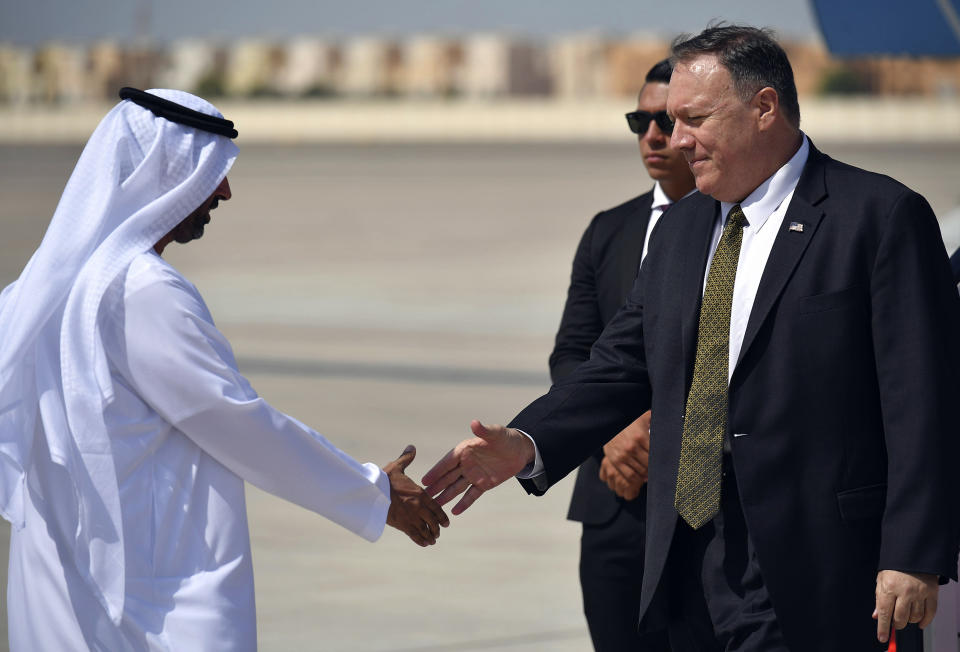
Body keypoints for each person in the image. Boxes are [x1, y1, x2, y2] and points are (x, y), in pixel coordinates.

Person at [423, 25, 960, 651]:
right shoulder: (680, 229)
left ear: (764, 107)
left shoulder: (879, 216)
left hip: (819, 565)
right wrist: (527, 440)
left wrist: (914, 554)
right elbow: (621, 361)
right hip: (687, 560)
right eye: (672, 122)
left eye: (694, 119)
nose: (677, 141)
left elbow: (924, 400)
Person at [0, 88, 448, 651]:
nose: (226, 190)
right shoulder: (140, 292)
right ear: (161, 174)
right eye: (208, 172)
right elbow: (241, 426)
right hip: (148, 606)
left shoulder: (39, 291)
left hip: (64, 587)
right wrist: (377, 494)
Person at [551, 58, 694, 652]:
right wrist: (613, 435)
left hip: (698, 507)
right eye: (640, 120)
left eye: (666, 120)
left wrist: (654, 431)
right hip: (612, 499)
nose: (653, 136)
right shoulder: (608, 230)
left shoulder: (739, 229)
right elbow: (570, 356)